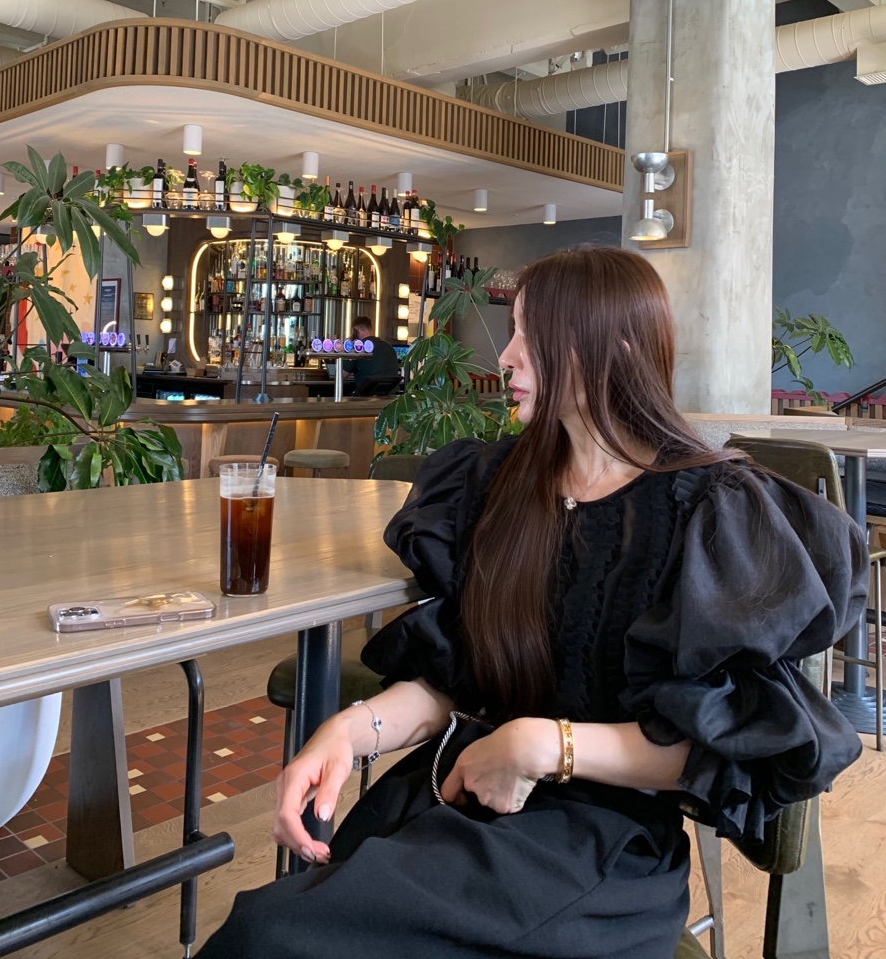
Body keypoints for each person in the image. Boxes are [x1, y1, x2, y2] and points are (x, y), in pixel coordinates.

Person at [198, 246, 867, 959]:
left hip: (597, 851)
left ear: (613, 349)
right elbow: (459, 678)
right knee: (270, 929)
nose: (507, 357)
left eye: (531, 335)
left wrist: (542, 745)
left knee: (273, 938)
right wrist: (349, 732)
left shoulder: (708, 513)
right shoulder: (499, 486)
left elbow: (719, 746)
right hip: (458, 800)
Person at [349, 314, 400, 392]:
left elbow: (341, 375)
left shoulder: (357, 348)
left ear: (356, 331)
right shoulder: (388, 346)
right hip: (392, 395)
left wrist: (348, 345)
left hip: (367, 396)